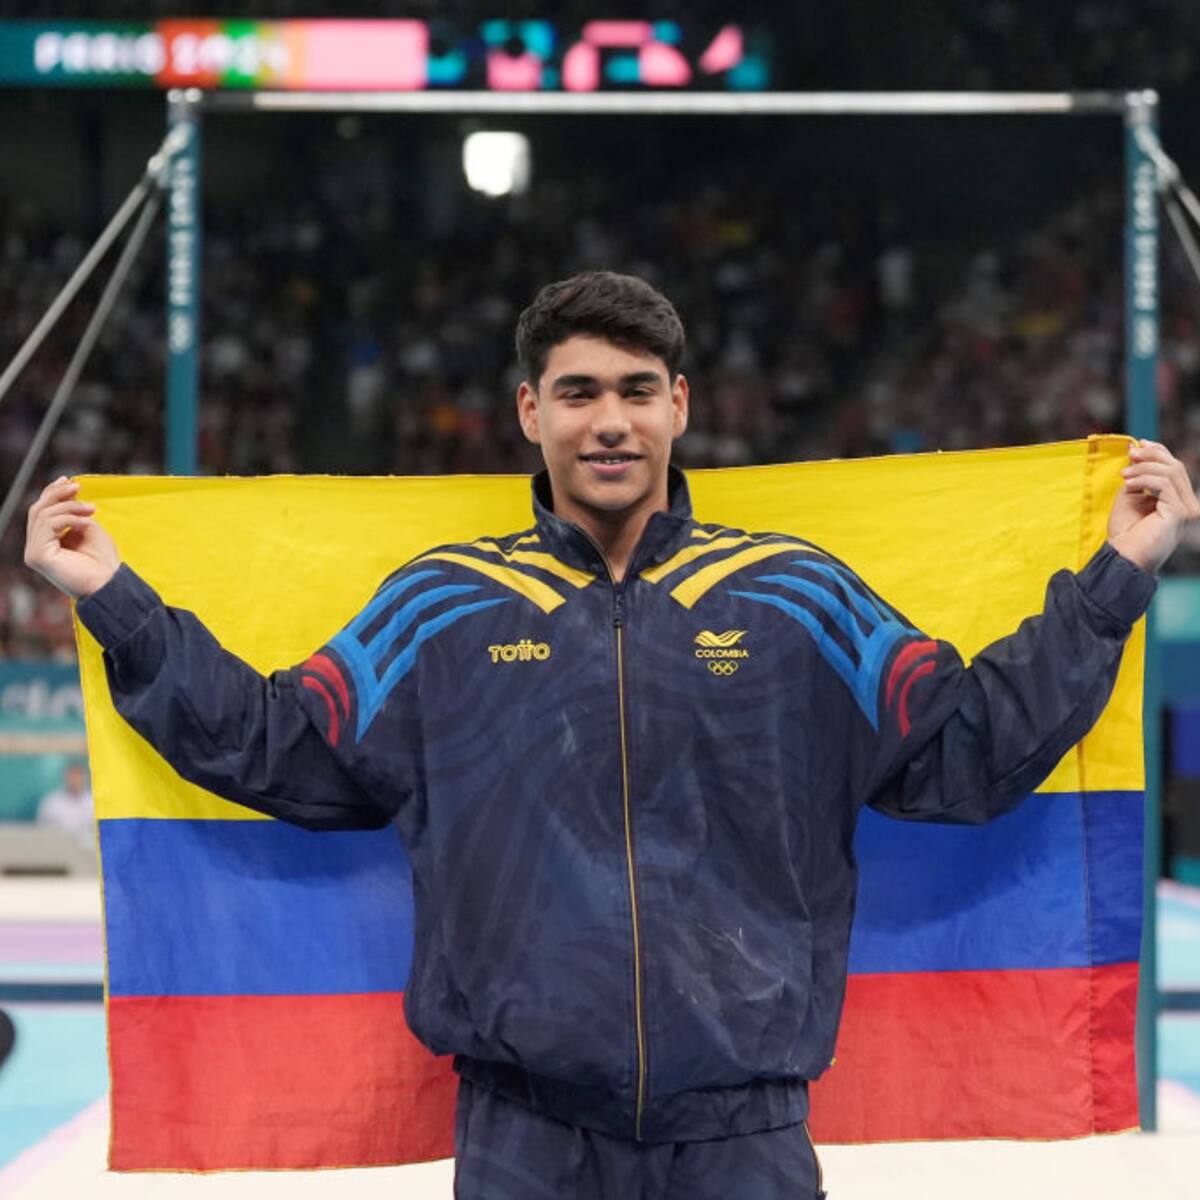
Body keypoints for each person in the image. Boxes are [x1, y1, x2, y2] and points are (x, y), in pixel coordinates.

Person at [23, 272, 1200, 1199]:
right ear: (529, 412)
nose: (610, 422)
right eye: (578, 392)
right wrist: (116, 601)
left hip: (744, 1136)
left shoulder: (796, 596)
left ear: (680, 406)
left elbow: (966, 750)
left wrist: (1116, 579)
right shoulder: (442, 606)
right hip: (522, 1135)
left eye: (638, 391)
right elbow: (285, 747)